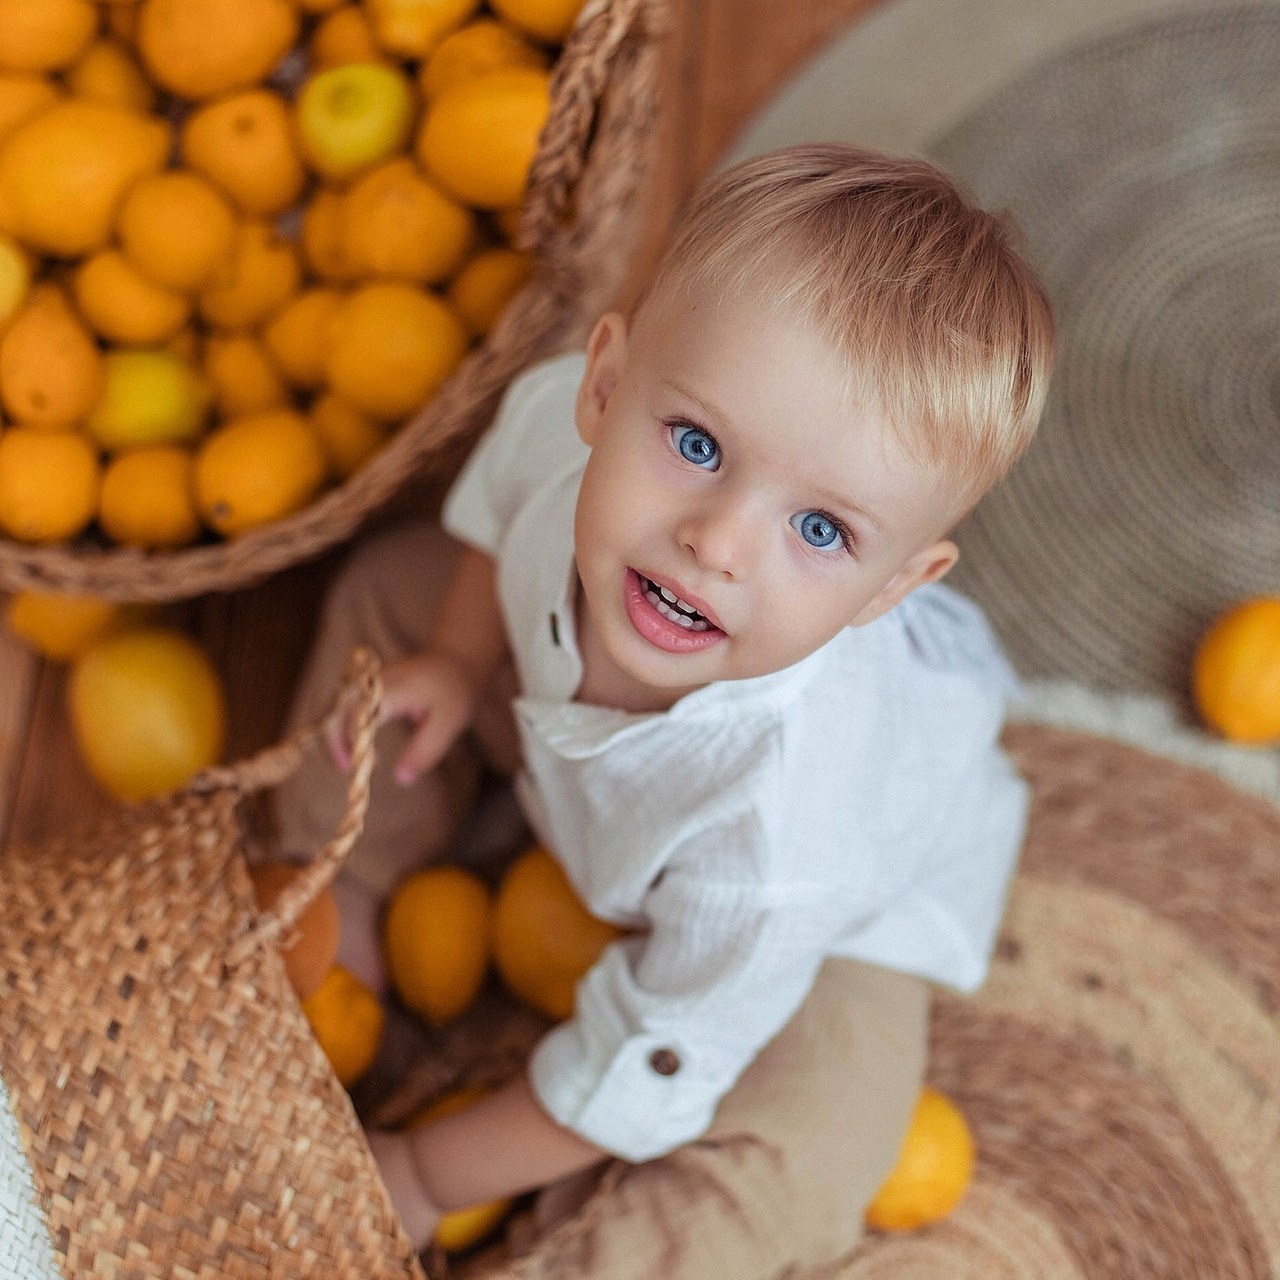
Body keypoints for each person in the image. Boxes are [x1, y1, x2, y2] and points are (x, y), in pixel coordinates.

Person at [276, 143, 1055, 1275]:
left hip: (837, 918)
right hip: (586, 762)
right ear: (603, 385)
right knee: (385, 597)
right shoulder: (563, 438)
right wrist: (451, 655)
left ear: (890, 591)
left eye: (820, 530)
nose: (717, 543)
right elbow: (497, 516)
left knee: (806, 1154)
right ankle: (339, 906)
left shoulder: (784, 844)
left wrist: (427, 1173)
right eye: (695, 445)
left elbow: (651, 1052)